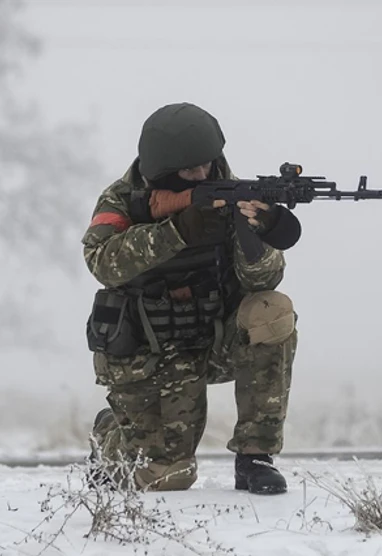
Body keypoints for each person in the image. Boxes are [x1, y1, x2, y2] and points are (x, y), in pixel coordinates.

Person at [82, 102, 302, 494]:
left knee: (272, 311)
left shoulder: (231, 192)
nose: (202, 175)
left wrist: (257, 232)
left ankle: (255, 456)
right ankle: (110, 436)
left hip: (214, 339)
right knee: (168, 477)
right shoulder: (122, 198)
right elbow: (101, 261)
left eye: (206, 164)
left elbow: (264, 279)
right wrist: (178, 231)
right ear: (161, 169)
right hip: (149, 355)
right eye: (189, 170)